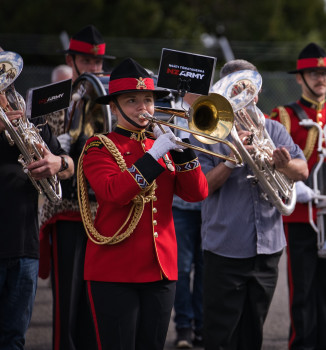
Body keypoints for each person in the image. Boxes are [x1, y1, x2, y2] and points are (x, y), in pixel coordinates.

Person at [79, 57, 208, 349]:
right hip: (114, 270)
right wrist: (152, 157)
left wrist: (185, 149)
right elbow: (113, 192)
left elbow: (197, 193)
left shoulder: (160, 142)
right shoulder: (99, 145)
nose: (143, 108)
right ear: (114, 107)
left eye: (148, 100)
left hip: (161, 268)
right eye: (133, 100)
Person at [193, 59, 308, 350]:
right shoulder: (207, 134)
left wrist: (283, 165)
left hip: (268, 247)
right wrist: (234, 159)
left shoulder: (273, 129)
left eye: (251, 89)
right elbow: (203, 186)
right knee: (220, 334)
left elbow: (302, 171)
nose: (248, 97)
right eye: (238, 90)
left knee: (253, 331)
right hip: (225, 247)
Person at [270, 42, 326, 349]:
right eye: (313, 73)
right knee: (302, 291)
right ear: (300, 78)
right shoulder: (283, 115)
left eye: (325, 73)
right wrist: (294, 185)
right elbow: (271, 163)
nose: (321, 79)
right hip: (302, 216)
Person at [38, 24, 115, 350]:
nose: (94, 69)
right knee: (67, 299)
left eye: (97, 63)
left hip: (102, 211)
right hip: (68, 211)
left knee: (99, 299)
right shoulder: (56, 98)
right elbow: (46, 147)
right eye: (86, 62)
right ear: (71, 60)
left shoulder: (110, 101)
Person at [0, 50, 75, 349]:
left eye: (7, 88)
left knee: (14, 339)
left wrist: (60, 164)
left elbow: (68, 164)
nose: (5, 96)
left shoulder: (31, 118)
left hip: (23, 247)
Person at [171, 93, 204, 349]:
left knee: (205, 270)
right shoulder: (173, 113)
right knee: (181, 270)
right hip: (181, 206)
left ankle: (202, 326)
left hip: (209, 207)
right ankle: (184, 327)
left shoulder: (214, 111)